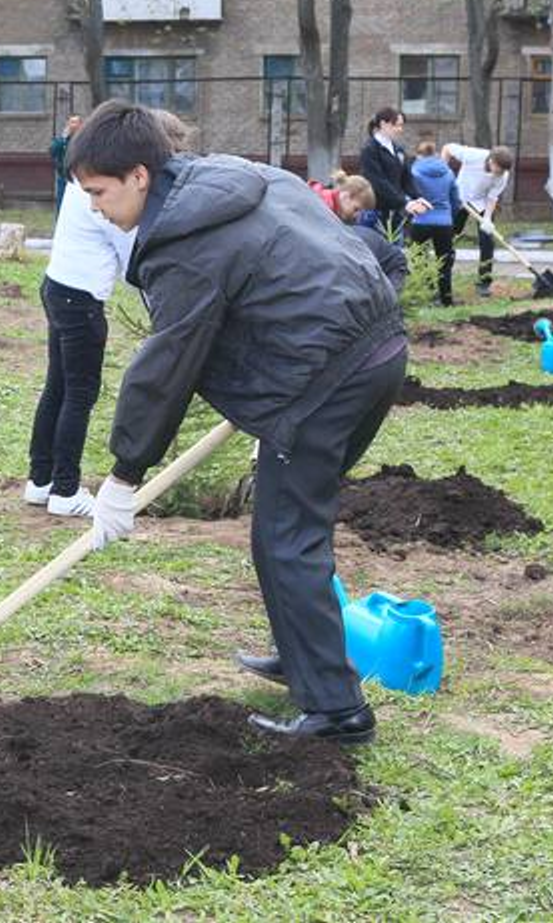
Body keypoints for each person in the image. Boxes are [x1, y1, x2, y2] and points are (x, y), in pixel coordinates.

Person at [68, 100, 406, 745]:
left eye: (98, 193)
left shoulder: (184, 243)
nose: (94, 208)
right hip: (375, 345)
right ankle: (305, 655)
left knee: (285, 537)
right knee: (286, 528)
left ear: (139, 175)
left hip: (324, 377)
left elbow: (168, 363)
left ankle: (338, 712)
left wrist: (124, 474)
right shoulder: (232, 178)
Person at [25, 110, 190, 517]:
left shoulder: (94, 172)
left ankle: (40, 480)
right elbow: (135, 259)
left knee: (58, 387)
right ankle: (65, 490)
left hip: (57, 287)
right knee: (79, 394)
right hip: (80, 301)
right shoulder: (110, 192)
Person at [311, 172, 408, 293]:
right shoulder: (324, 209)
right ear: (346, 196)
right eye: (356, 209)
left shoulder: (328, 205)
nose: (356, 216)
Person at [443, 143, 513, 297]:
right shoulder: (473, 155)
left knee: (487, 241)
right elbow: (447, 148)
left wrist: (487, 218)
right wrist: (444, 172)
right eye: (498, 170)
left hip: (481, 203)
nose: (500, 174)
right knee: (448, 237)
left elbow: (492, 197)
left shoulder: (503, 175)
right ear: (492, 161)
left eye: (503, 171)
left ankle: (484, 282)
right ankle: (442, 277)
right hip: (459, 198)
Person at [357, 107, 431, 237]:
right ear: (383, 124)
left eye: (401, 126)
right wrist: (404, 202)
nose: (400, 129)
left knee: (396, 248)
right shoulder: (370, 149)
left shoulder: (398, 149)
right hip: (376, 212)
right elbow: (377, 182)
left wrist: (418, 197)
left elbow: (407, 178)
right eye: (396, 125)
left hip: (396, 211)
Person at [408, 140, 461, 306]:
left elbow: (409, 195)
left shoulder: (414, 171)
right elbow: (456, 200)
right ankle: (446, 299)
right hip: (444, 222)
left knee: (419, 260)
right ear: (435, 154)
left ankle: (425, 296)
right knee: (444, 262)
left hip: (420, 221)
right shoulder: (448, 172)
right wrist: (450, 217)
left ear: (419, 155)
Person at [50, 115, 83, 210]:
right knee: (62, 202)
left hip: (79, 177)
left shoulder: (84, 139)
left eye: (75, 122)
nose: (73, 125)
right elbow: (53, 151)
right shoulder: (63, 139)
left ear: (80, 125)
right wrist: (63, 138)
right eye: (71, 122)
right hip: (64, 176)